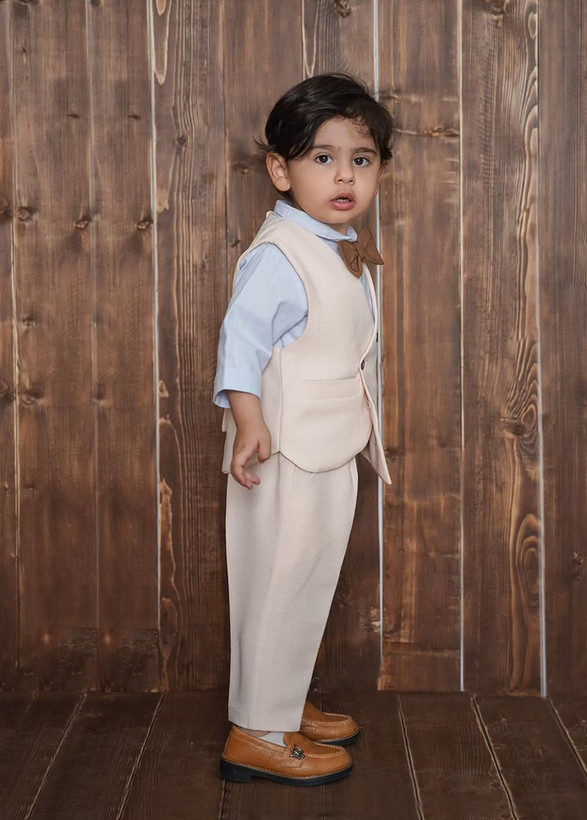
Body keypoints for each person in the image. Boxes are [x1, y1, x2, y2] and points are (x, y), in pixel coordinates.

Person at [214, 73, 393, 786]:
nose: (345, 175)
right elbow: (241, 342)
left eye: (361, 159)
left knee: (307, 582)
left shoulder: (333, 244)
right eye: (323, 158)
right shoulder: (280, 255)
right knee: (277, 584)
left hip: (328, 447)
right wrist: (248, 420)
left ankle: (279, 705)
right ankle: (256, 732)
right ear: (281, 170)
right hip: (283, 452)